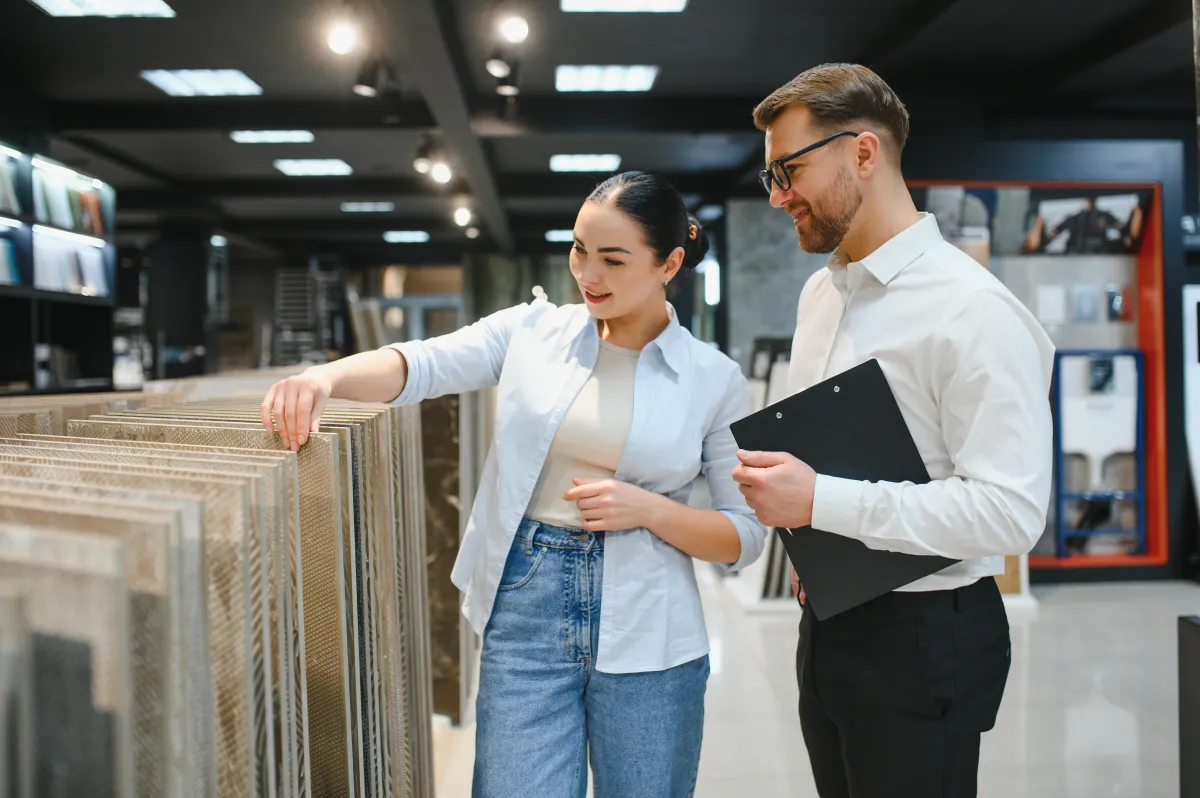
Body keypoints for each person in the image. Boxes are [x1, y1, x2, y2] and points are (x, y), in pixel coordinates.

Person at [261, 171, 767, 798]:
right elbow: (421, 364)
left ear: (670, 263)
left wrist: (650, 510)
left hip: (653, 631)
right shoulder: (534, 333)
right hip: (526, 607)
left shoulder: (714, 379)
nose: (589, 274)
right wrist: (324, 379)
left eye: (613, 258)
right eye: (580, 249)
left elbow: (745, 537)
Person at [732, 64, 1054, 798]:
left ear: (864, 153)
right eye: (771, 177)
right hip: (829, 627)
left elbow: (1010, 511)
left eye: (790, 170)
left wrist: (819, 504)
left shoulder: (972, 310)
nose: (780, 196)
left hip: (925, 638)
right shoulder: (821, 293)